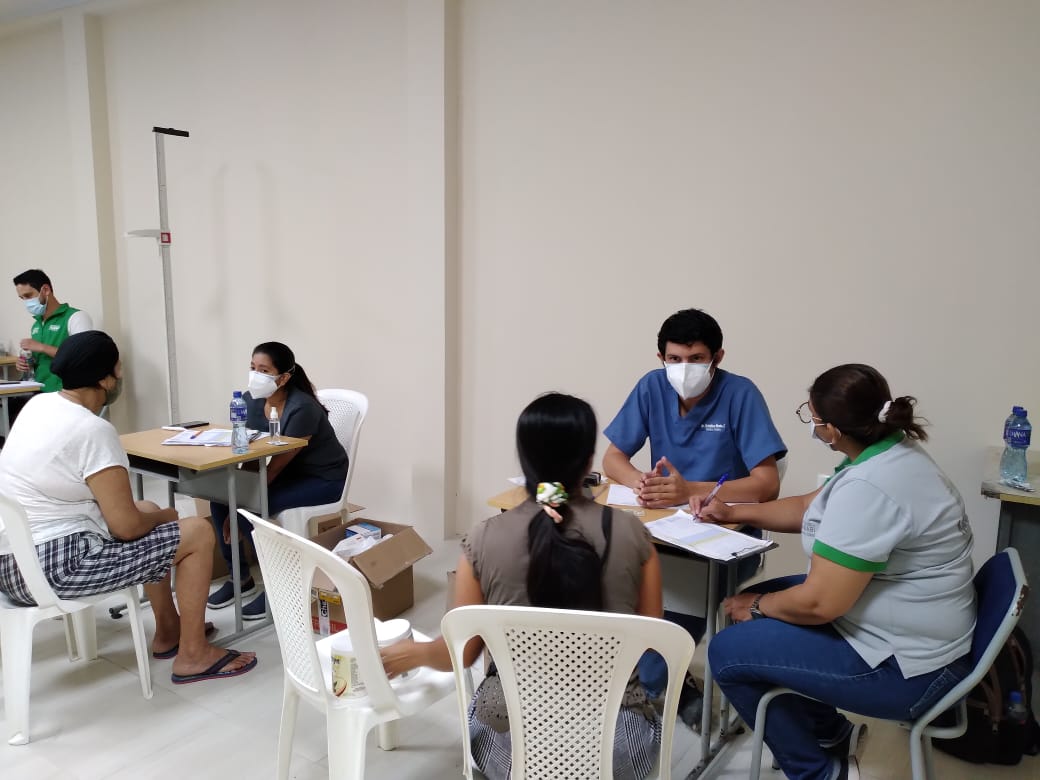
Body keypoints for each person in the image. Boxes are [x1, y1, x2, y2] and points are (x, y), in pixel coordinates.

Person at [696, 364, 976, 780]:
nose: (812, 426)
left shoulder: (872, 487)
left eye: (812, 418)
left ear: (832, 430)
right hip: (915, 633)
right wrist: (732, 512)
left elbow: (820, 603)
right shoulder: (889, 451)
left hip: (909, 672)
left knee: (727, 651)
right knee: (764, 606)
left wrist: (756, 605)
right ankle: (830, 733)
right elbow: (809, 506)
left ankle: (819, 773)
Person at [380, 393, 666, 780]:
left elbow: (458, 654)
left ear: (524, 460)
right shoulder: (634, 535)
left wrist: (408, 654)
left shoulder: (483, 539)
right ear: (588, 462)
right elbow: (652, 640)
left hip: (512, 750)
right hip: (617, 751)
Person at [0, 331, 256, 683]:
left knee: (145, 505)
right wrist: (168, 516)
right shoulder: (93, 430)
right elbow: (126, 527)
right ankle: (194, 655)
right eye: (118, 368)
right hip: (56, 569)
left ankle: (169, 630)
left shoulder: (38, 406)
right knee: (196, 532)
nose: (121, 376)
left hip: (11, 564)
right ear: (105, 379)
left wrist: (154, 515)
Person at [603, 308, 788, 726]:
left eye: (696, 359)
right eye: (675, 359)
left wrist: (690, 491)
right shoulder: (651, 387)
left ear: (717, 357)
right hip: (660, 531)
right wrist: (639, 482)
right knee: (606, 582)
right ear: (661, 358)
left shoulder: (740, 395)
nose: (684, 369)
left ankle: (660, 685)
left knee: (679, 602)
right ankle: (644, 677)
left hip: (724, 539)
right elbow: (613, 458)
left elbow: (767, 484)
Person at [207, 341, 348, 620]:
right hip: (289, 474)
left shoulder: (302, 408)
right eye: (253, 368)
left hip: (323, 478)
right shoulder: (250, 401)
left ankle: (281, 586)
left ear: (283, 378)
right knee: (221, 499)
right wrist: (233, 499)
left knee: (252, 508)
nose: (255, 375)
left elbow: (275, 466)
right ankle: (240, 578)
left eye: (264, 370)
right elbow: (253, 456)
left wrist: (240, 508)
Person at [12, 269, 94, 393]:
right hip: (38, 390)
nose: (26, 302)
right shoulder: (37, 324)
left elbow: (82, 357)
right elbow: (41, 360)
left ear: (46, 290)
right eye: (22, 298)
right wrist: (26, 362)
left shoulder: (76, 317)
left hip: (65, 392)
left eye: (28, 296)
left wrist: (42, 347)